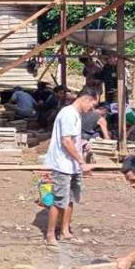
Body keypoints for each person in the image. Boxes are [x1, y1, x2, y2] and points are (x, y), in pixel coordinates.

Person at [43, 88, 97, 248]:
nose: (91, 110)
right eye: (92, 105)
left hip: (72, 165)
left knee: (71, 198)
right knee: (59, 200)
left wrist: (81, 146)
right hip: (62, 164)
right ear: (85, 99)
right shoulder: (68, 114)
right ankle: (50, 234)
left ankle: (65, 231)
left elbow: (72, 140)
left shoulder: (76, 115)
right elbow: (66, 141)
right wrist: (81, 161)